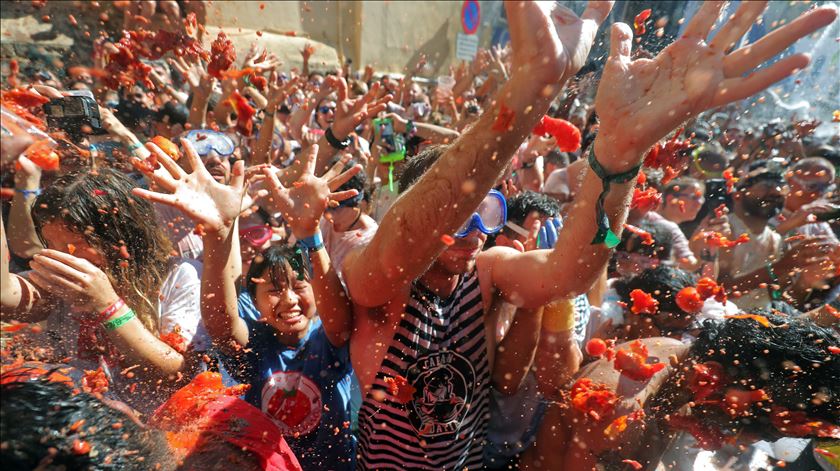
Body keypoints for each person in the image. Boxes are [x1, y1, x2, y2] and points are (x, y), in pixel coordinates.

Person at [133, 140, 361, 469]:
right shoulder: (258, 343)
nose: (289, 300)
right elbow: (222, 327)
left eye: (299, 286)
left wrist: (310, 234)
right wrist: (218, 234)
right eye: (273, 290)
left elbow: (341, 324)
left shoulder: (325, 339)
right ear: (253, 302)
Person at [0, 167, 209, 413]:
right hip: (81, 425)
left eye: (75, 244)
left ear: (122, 236)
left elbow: (176, 372)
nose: (63, 257)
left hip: (156, 436)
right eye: (52, 244)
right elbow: (6, 296)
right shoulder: (60, 278)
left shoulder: (179, 275)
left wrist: (106, 304)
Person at [521, 313, 840, 469]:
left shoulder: (679, 365)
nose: (748, 439)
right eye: (762, 425)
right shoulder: (616, 410)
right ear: (713, 378)